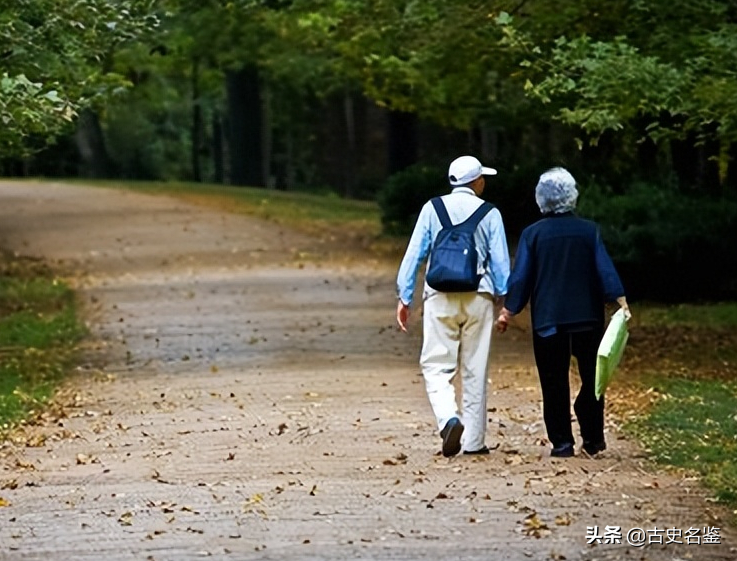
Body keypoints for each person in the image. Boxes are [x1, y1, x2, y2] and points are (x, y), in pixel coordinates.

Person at [495, 167, 631, 458]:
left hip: (549, 319)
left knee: (553, 380)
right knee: (593, 378)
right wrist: (620, 301)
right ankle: (593, 439)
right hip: (587, 317)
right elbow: (604, 268)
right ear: (573, 196)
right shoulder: (588, 230)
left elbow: (521, 277)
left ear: (540, 199)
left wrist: (509, 310)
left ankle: (562, 442)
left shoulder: (533, 234)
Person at [396, 155, 510, 457]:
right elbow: (500, 263)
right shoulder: (490, 213)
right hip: (479, 297)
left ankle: (448, 418)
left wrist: (404, 296)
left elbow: (414, 254)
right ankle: (474, 443)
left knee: (436, 364)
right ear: (477, 182)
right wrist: (505, 300)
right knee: (475, 368)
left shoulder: (432, 209)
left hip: (439, 296)